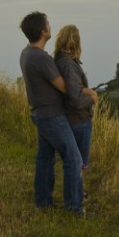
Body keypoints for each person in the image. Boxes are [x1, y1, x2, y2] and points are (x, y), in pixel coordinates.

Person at [18, 11, 93, 214]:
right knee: (74, 159)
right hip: (52, 115)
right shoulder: (41, 58)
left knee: (45, 158)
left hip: (39, 113)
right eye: (48, 24)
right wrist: (89, 93)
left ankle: (43, 202)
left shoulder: (26, 53)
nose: (51, 27)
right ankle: (74, 208)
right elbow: (66, 88)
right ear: (43, 31)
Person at [54, 25, 97, 199]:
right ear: (75, 41)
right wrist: (91, 99)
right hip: (78, 119)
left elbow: (72, 90)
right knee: (79, 161)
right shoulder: (68, 64)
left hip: (70, 117)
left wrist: (85, 90)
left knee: (75, 161)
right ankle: (76, 197)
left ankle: (78, 193)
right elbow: (76, 98)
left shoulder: (58, 60)